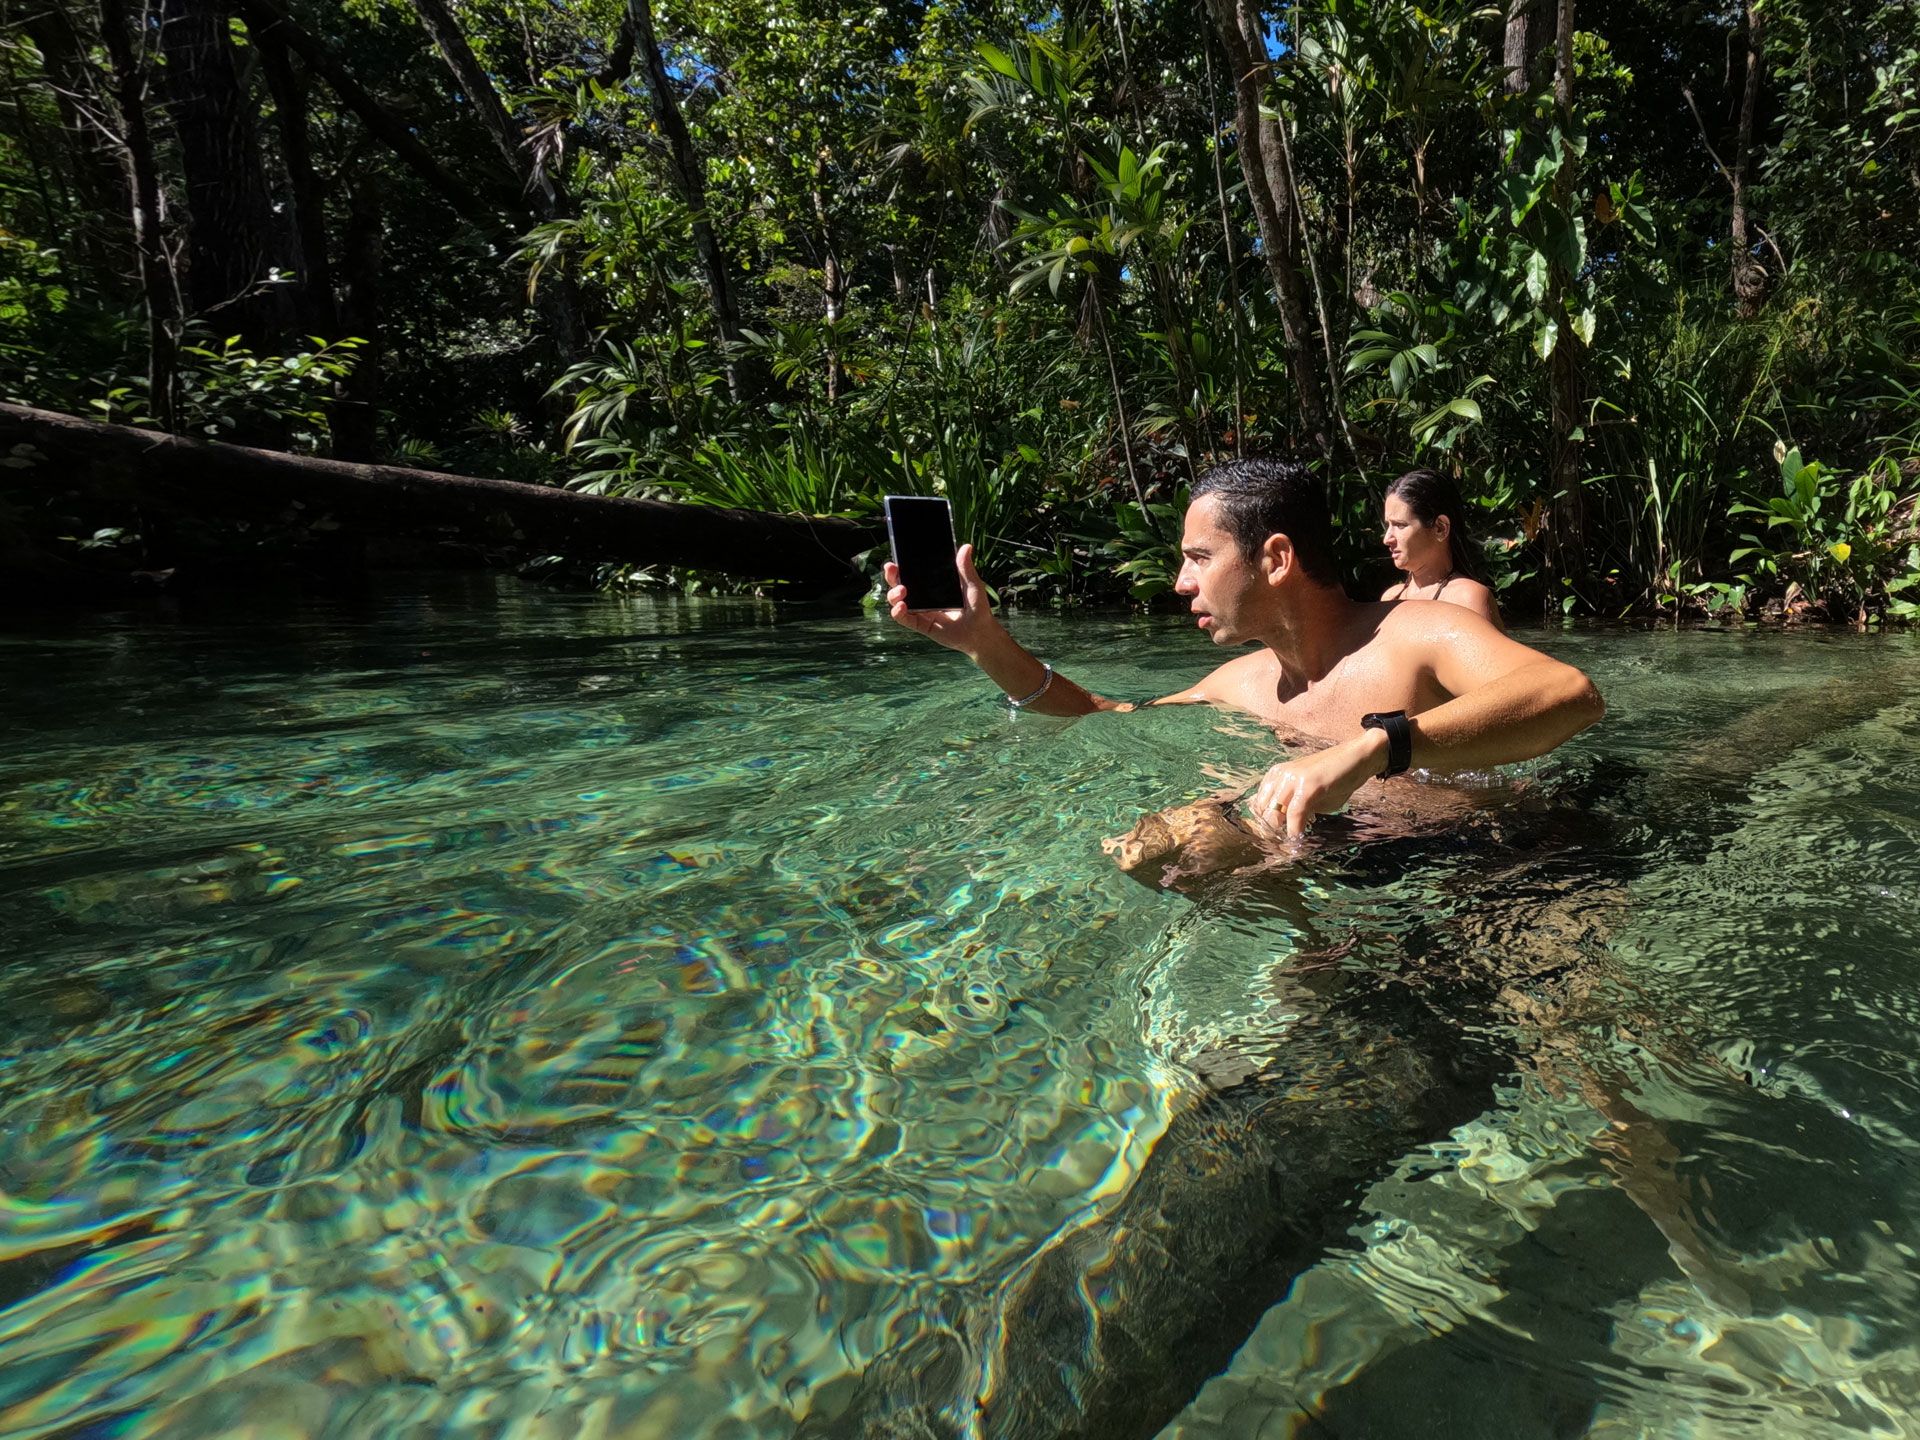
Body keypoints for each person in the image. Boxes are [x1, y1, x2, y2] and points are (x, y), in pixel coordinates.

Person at [885, 457, 1603, 839]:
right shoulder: (1243, 682)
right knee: (1160, 846)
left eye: (1199, 557)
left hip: (1512, 861)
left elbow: (1570, 696)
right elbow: (1103, 711)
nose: (1178, 581)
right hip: (1370, 875)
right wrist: (985, 643)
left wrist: (1374, 747)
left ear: (1277, 558)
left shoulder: (1417, 633)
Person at [1380, 467, 1503, 629]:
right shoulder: (1390, 599)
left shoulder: (1468, 599)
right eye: (1388, 525)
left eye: (1400, 525)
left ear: (1440, 528)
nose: (1386, 539)